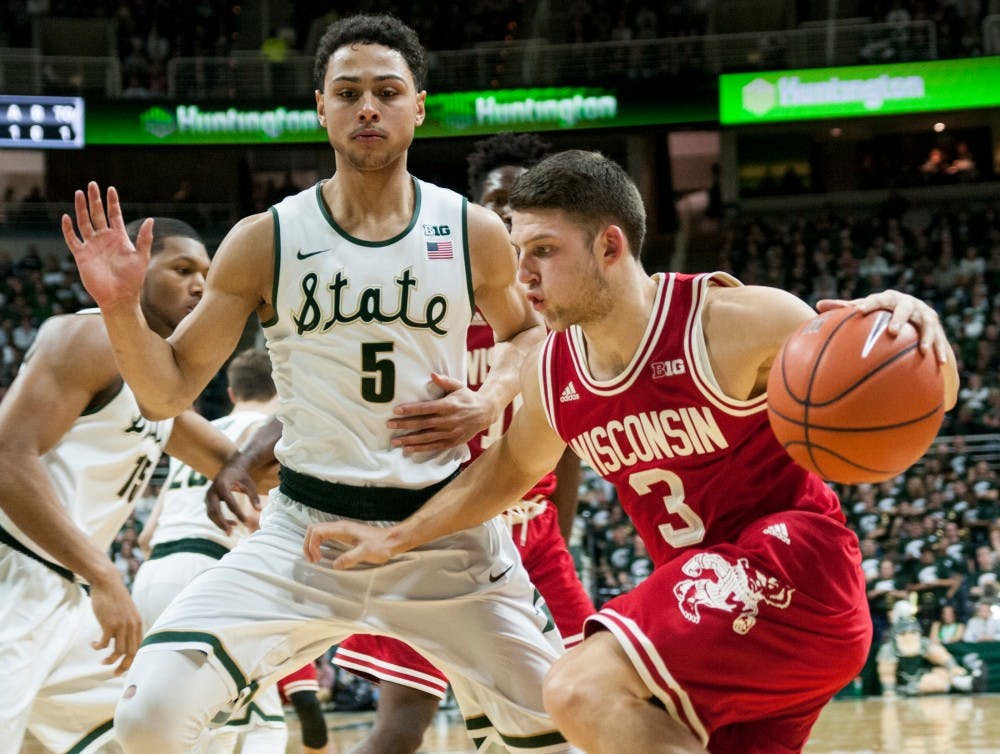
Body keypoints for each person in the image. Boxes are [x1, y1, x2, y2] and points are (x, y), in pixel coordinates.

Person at [302, 149, 960, 754]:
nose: (522, 274)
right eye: (514, 252)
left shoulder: (731, 323)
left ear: (609, 245)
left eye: (542, 251)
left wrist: (911, 322)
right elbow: (504, 473)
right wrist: (395, 538)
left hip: (794, 568)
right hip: (725, 618)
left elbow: (913, 388)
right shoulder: (555, 372)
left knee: (578, 688)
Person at [64, 13, 568, 754]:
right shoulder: (265, 238)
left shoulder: (470, 231)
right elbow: (166, 393)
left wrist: (489, 396)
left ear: (418, 106)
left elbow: (531, 334)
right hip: (304, 536)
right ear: (320, 106)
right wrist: (118, 309)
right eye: (349, 91)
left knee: (570, 728)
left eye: (388, 91)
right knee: (149, 718)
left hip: (444, 536)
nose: (369, 106)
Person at [329, 132, 596, 754]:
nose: (507, 215)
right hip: (437, 530)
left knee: (582, 699)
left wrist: (558, 529)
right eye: (496, 203)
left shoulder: (559, 315)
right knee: (403, 722)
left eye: (523, 203)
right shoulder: (426, 296)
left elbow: (570, 440)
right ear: (475, 210)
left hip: (534, 533)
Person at [0, 217, 260, 753]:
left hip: (65, 593)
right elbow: (6, 457)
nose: (199, 286)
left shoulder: (155, 383)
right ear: (135, 270)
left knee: (141, 727)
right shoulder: (90, 334)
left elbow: (239, 463)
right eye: (182, 268)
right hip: (18, 574)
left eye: (207, 275)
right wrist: (104, 576)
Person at [132, 348, 328, 754]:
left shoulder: (200, 432)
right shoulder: (276, 435)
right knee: (260, 722)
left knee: (181, 720)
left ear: (232, 393)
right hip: (208, 573)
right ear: (282, 389)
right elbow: (262, 520)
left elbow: (145, 536)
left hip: (151, 577)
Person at [876, 614, 982, 697]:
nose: (909, 636)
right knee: (930, 683)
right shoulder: (888, 649)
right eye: (904, 633)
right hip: (903, 686)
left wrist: (953, 667)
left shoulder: (924, 643)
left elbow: (942, 656)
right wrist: (889, 690)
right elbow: (887, 674)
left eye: (913, 632)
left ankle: (965, 683)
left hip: (921, 677)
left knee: (941, 674)